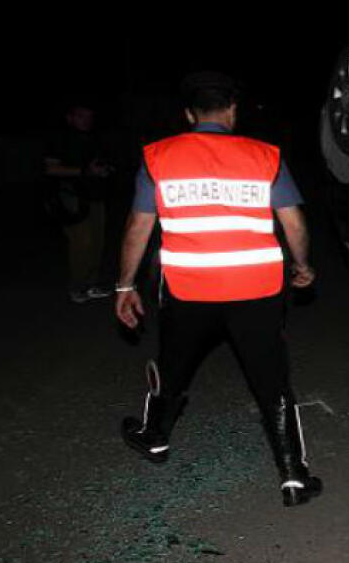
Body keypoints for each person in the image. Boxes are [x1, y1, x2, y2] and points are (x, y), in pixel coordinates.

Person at [114, 71, 321, 506]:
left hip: (190, 289)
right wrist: (302, 266)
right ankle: (293, 475)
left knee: (174, 364)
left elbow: (138, 227)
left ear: (189, 114)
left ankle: (154, 437)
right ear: (232, 111)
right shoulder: (265, 156)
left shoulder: (159, 157)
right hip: (257, 288)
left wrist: (125, 285)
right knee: (271, 378)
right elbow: (294, 222)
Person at [44, 102, 115, 303]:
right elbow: (50, 169)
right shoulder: (60, 140)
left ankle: (91, 284)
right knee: (81, 243)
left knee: (97, 243)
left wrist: (105, 170)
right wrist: (84, 171)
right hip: (71, 199)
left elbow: (99, 164)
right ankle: (77, 287)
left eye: (89, 116)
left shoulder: (94, 139)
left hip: (96, 197)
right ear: (70, 118)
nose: (87, 120)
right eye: (81, 116)